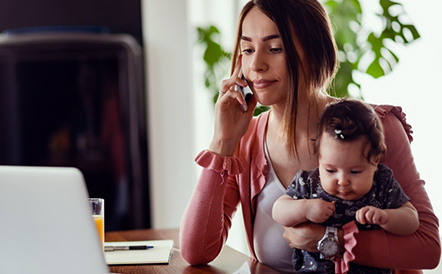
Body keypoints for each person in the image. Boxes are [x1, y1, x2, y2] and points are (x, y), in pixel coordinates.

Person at [179, 0, 440, 273]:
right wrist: (223, 142)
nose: (256, 65)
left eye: (275, 48)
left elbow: (427, 248)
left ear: (314, 52)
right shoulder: (246, 140)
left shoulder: (376, 127)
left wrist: (332, 240)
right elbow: (196, 252)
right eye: (247, 49)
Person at [272, 99, 419, 273]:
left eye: (355, 171)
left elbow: (411, 220)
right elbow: (278, 210)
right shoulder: (309, 183)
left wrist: (386, 217)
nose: (342, 181)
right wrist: (305, 208)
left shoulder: (382, 182)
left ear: (375, 162)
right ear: (319, 159)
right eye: (331, 170)